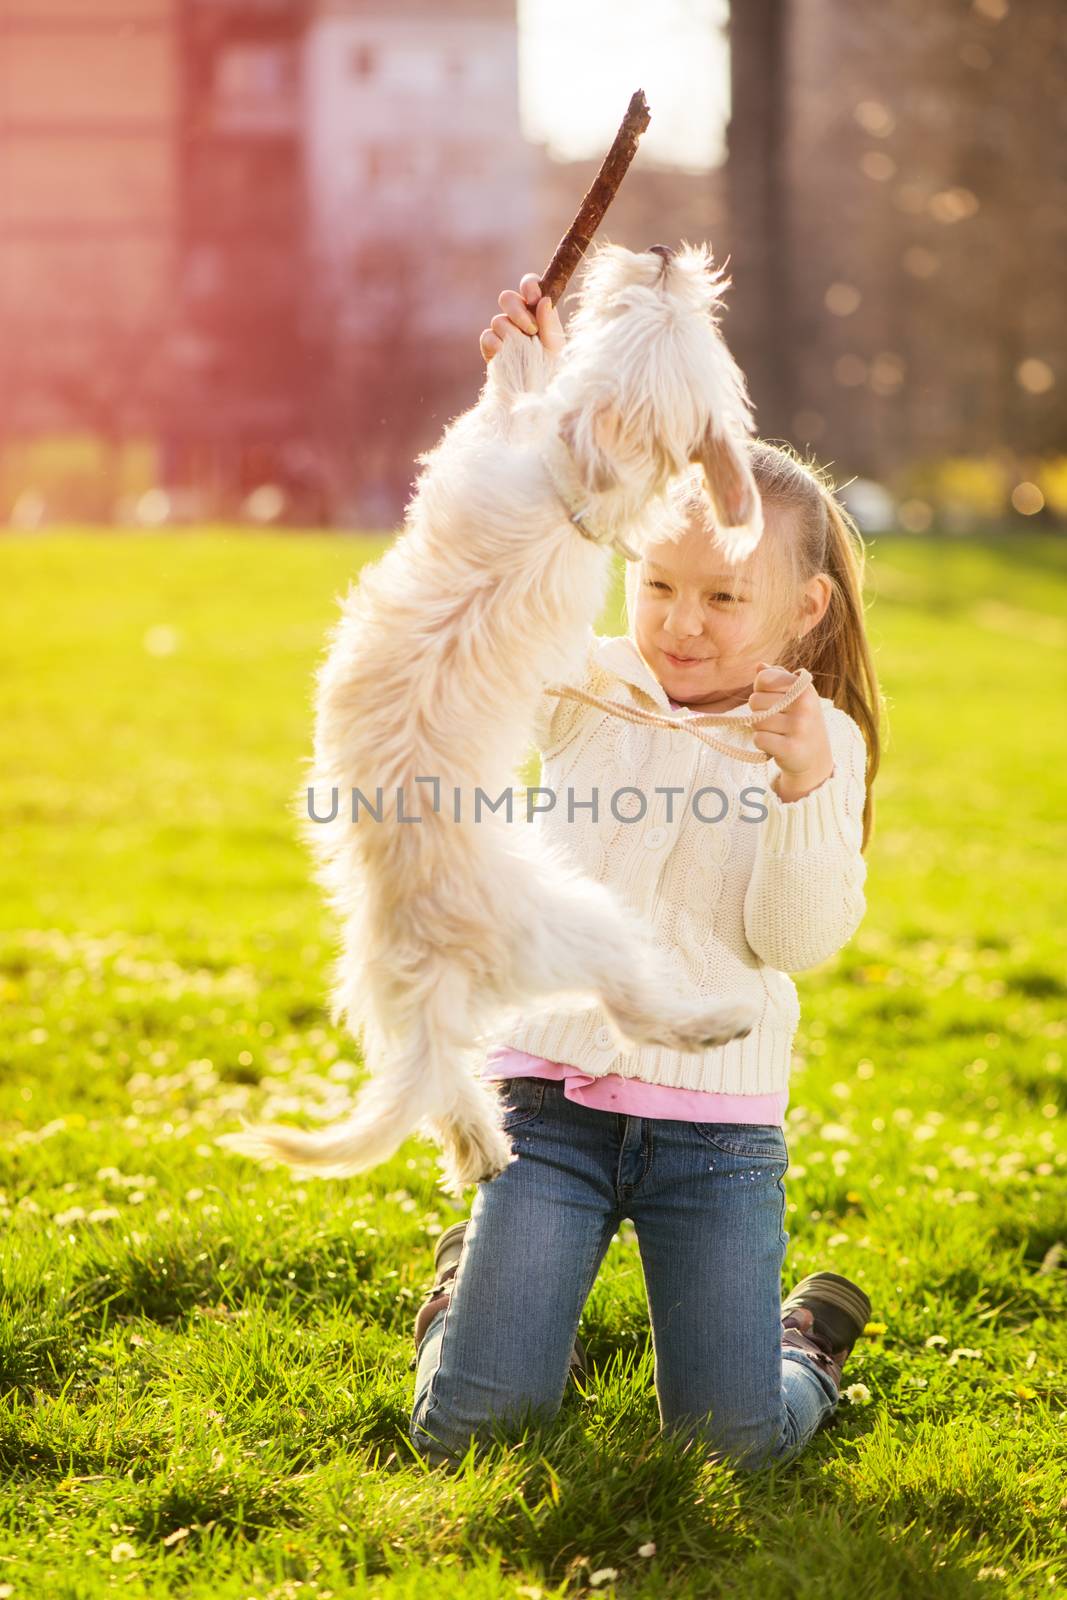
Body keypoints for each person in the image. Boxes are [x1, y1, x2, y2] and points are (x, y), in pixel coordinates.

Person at [408, 271, 885, 1476]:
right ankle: (470, 1300)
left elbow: (797, 939)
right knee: (470, 1432)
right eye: (658, 584)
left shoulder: (819, 741)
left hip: (714, 1139)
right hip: (550, 1113)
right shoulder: (584, 684)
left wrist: (798, 790)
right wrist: (527, 389)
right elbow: (503, 552)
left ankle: (804, 1352)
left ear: (802, 605)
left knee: (728, 1448)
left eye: (726, 596)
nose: (682, 621)